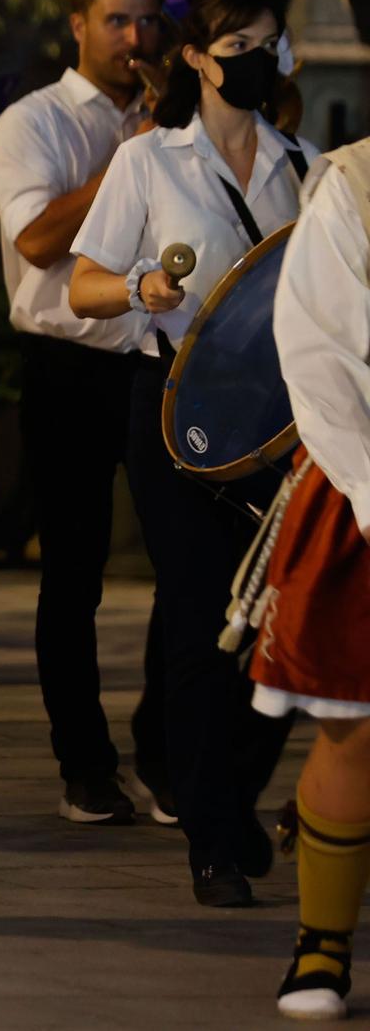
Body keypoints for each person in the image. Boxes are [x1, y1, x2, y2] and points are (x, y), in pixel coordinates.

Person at [68, 0, 303, 906]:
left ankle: (232, 794)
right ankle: (210, 832)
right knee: (204, 618)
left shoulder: (303, 165)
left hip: (281, 421)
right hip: (170, 406)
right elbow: (82, 283)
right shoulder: (149, 164)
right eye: (239, 44)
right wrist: (138, 291)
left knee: (279, 626)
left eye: (269, 43)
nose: (259, 59)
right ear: (199, 59)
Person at [0, 0, 170, 827]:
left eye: (146, 20)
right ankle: (85, 762)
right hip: (68, 365)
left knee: (187, 564)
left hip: (160, 360)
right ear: (78, 24)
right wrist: (127, 164)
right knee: (75, 574)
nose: (136, 38)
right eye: (117, 20)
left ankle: (165, 747)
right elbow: (33, 244)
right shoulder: (35, 122)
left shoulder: (175, 116)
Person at [255, 133, 370, 1019]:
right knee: (354, 729)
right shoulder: (355, 183)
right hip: (368, 481)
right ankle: (323, 944)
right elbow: (322, 356)